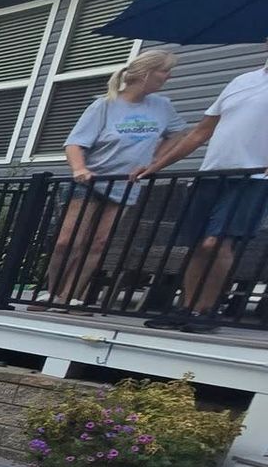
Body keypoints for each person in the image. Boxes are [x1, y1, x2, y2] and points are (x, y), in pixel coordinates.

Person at [133, 42, 268, 331]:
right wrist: (156, 166)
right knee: (197, 244)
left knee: (216, 242)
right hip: (212, 173)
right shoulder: (241, 81)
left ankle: (207, 310)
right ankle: (187, 308)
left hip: (253, 177)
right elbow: (200, 132)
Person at [47, 49, 185, 308]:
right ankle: (52, 294)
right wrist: (79, 169)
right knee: (68, 241)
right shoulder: (105, 104)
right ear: (145, 73)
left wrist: (154, 163)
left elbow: (177, 135)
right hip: (90, 181)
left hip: (125, 184)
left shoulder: (163, 106)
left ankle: (70, 298)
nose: (168, 77)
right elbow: (75, 144)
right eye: (164, 71)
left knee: (98, 243)